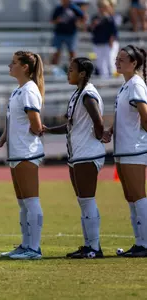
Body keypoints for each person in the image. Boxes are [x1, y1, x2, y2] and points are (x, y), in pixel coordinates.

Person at [44, 57, 105, 258]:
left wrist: (98, 135)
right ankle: (89, 245)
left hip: (87, 153)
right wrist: (48, 130)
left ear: (82, 74)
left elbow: (98, 121)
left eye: (71, 70)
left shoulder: (87, 94)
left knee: (87, 200)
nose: (68, 72)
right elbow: (72, 125)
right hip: (77, 153)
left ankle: (94, 248)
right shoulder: (77, 94)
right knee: (83, 201)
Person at [0, 51, 45, 260]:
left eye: (13, 63)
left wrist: (35, 129)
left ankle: (34, 248)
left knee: (31, 200)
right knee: (23, 202)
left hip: (26, 152)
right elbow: (14, 121)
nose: (9, 66)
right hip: (16, 153)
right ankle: (26, 244)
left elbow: (35, 123)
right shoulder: (17, 91)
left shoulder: (29, 90)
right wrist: (2, 140)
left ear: (24, 68)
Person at [102, 45, 147, 257]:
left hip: (133, 148)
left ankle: (145, 243)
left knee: (138, 196)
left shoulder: (136, 85)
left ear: (134, 63)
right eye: (117, 58)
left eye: (121, 59)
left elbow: (144, 116)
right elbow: (127, 116)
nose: (117, 62)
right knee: (131, 197)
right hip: (123, 148)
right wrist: (111, 130)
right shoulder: (126, 86)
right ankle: (139, 242)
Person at [88, 0, 118, 78]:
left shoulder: (110, 18)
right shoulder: (95, 18)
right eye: (101, 7)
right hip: (98, 43)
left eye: (104, 7)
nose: (102, 9)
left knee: (110, 62)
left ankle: (113, 79)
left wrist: (111, 41)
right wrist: (94, 24)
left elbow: (113, 31)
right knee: (100, 63)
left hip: (107, 43)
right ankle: (104, 79)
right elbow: (90, 29)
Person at [50, 0, 84, 65]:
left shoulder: (74, 8)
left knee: (72, 53)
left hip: (71, 34)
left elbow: (83, 17)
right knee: (56, 52)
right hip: (59, 34)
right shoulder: (58, 9)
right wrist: (58, 20)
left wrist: (78, 23)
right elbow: (52, 20)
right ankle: (54, 69)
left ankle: (74, 68)